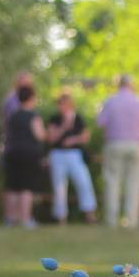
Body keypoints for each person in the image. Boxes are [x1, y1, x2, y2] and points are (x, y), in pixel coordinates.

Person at [96, 75, 139, 228]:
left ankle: (111, 220)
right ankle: (132, 220)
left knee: (112, 182)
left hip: (114, 144)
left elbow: (100, 122)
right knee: (134, 183)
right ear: (131, 85)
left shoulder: (110, 101)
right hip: (136, 145)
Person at [46, 92, 97, 224]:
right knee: (59, 187)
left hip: (74, 154)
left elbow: (85, 137)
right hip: (57, 154)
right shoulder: (54, 119)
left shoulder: (78, 118)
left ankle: (89, 214)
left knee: (84, 182)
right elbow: (51, 138)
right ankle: (61, 217)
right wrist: (64, 127)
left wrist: (73, 140)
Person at [3, 85, 46, 228]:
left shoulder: (13, 116)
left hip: (12, 152)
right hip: (29, 154)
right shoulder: (33, 116)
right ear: (32, 98)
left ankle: (10, 218)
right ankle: (25, 219)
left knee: (12, 186)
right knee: (26, 186)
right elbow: (40, 135)